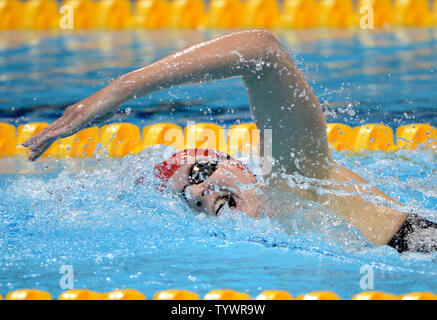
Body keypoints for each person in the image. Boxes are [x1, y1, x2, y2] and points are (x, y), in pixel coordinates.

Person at [22, 29, 436, 253]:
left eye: (199, 172)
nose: (200, 192)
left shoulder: (293, 181)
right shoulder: (271, 239)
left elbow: (263, 52)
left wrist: (116, 92)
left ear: (240, 165)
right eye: (189, 197)